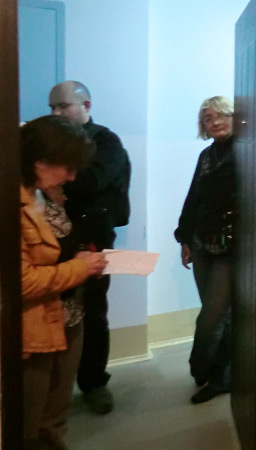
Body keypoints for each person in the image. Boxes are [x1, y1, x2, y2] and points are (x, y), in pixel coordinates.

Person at [20, 115, 108, 449]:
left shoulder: (43, 194)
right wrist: (79, 268)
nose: (72, 177)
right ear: (41, 160)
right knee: (28, 421)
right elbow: (23, 281)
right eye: (69, 167)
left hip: (69, 313)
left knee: (57, 412)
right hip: (34, 326)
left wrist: (81, 256)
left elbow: (59, 246)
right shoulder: (14, 202)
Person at [48, 80, 132, 414]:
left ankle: (94, 382)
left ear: (86, 106)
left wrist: (52, 176)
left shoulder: (105, 142)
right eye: (52, 107)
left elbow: (89, 183)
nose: (56, 113)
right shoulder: (53, 142)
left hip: (93, 239)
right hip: (53, 239)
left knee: (94, 312)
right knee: (52, 310)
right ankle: (54, 387)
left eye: (63, 106)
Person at [175, 96, 235, 404]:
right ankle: (221, 377)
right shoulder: (206, 155)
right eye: (208, 118)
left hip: (229, 248)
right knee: (218, 315)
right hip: (201, 243)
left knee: (211, 317)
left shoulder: (246, 152)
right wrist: (184, 239)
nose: (215, 122)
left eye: (221, 115)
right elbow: (193, 199)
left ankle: (200, 367)